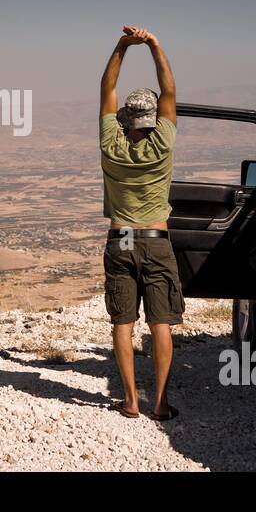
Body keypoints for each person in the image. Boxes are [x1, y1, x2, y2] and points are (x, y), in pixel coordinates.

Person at [98, 26, 181, 420]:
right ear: (154, 118)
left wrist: (121, 47)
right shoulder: (163, 143)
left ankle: (130, 401)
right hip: (156, 240)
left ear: (127, 118)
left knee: (123, 321)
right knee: (161, 322)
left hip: (121, 240)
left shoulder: (111, 144)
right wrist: (154, 45)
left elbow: (106, 89)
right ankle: (160, 403)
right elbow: (169, 92)